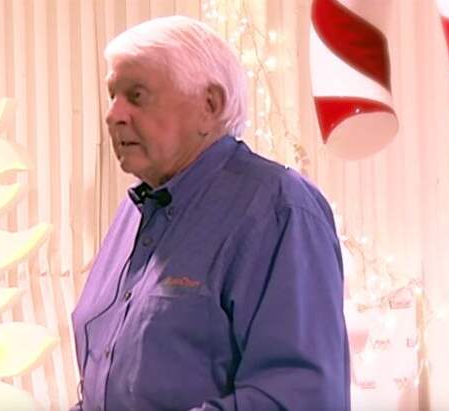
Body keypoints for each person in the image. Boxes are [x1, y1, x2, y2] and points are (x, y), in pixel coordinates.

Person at [70, 15, 350, 411]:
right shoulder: (132, 214)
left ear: (210, 105)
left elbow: (297, 397)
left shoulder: (278, 208)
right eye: (112, 95)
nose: (113, 115)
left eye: (136, 95)